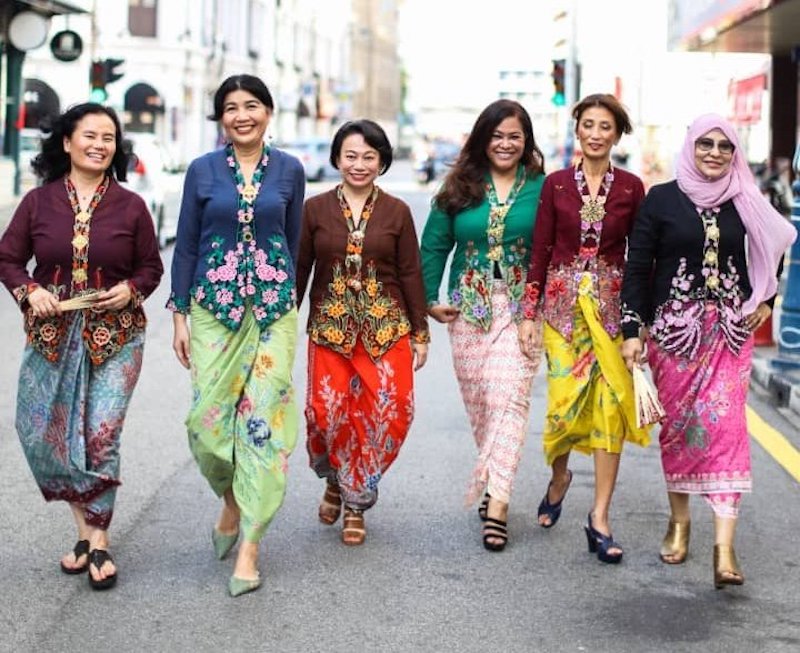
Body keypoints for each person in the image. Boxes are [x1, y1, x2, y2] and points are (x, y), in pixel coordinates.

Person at [620, 114, 795, 587]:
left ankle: (724, 547)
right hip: (674, 338)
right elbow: (638, 267)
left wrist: (766, 298)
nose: (715, 153)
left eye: (724, 146)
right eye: (705, 145)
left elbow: (775, 242)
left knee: (728, 428)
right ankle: (679, 522)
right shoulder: (661, 199)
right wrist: (631, 330)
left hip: (729, 335)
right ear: (691, 147)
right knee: (678, 430)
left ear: (735, 153)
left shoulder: (745, 199)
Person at [0, 102, 163, 590]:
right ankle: (84, 532)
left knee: (101, 433)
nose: (99, 144)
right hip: (53, 335)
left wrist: (132, 288)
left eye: (108, 137)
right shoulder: (38, 202)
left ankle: (99, 544)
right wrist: (31, 291)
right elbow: (8, 259)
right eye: (89, 135)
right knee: (44, 433)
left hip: (117, 335)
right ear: (67, 142)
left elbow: (151, 267)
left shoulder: (132, 205)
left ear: (117, 147)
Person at [168, 74, 305, 597]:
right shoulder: (202, 170)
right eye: (230, 107)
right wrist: (180, 313)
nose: (241, 115)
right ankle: (231, 498)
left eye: (251, 105)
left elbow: (289, 243)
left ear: (268, 112)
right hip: (211, 311)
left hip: (272, 311)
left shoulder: (290, 169)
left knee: (261, 425)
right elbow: (185, 246)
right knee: (208, 427)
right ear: (221, 117)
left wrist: (281, 294)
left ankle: (250, 545)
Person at [517, 93, 650, 564]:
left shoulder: (633, 188)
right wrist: (529, 315)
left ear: (617, 134)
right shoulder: (554, 185)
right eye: (588, 125)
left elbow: (640, 260)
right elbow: (540, 251)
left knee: (611, 409)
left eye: (605, 127)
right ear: (577, 130)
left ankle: (600, 518)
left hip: (613, 313)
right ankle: (559, 477)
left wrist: (637, 325)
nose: (595, 134)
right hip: (560, 313)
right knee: (562, 408)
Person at [420, 99, 546, 552]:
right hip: (467, 309)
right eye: (497, 136)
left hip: (522, 311)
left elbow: (553, 248)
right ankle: (495, 478)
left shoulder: (542, 188)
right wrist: (430, 299)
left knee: (507, 397)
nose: (506, 144)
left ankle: (498, 504)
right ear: (482, 139)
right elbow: (433, 246)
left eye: (515, 136)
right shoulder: (459, 185)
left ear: (526, 141)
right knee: (482, 403)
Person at [296, 119, 429, 546]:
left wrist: (421, 330)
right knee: (327, 414)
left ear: (382, 162)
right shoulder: (315, 209)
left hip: (386, 327)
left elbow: (409, 271)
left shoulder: (397, 212)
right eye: (351, 156)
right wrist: (280, 325)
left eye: (369, 157)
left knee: (393, 410)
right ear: (337, 158)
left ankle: (355, 499)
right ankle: (335, 478)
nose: (359, 164)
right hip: (330, 328)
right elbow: (300, 270)